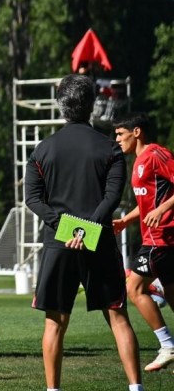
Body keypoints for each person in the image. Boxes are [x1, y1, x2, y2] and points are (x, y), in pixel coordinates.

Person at [25, 74, 142, 391]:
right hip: (99, 242)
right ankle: (136, 387)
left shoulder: (42, 150)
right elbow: (112, 197)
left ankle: (53, 390)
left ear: (61, 106)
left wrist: (68, 228)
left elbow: (33, 199)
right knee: (118, 317)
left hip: (58, 243)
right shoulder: (110, 148)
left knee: (55, 322)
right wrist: (87, 228)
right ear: (92, 105)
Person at [112, 112, 174, 372]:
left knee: (134, 289)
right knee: (171, 293)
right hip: (156, 237)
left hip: (161, 237)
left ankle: (167, 346)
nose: (116, 140)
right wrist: (125, 221)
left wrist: (162, 210)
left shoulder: (157, 154)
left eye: (120, 134)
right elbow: (146, 204)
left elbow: (158, 205)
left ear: (136, 132)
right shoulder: (138, 161)